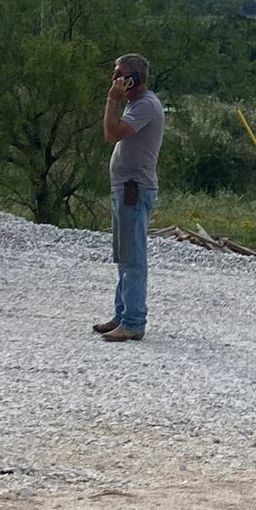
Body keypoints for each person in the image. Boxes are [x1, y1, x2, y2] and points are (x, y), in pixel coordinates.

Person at [94, 52, 164, 343]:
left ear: (133, 78)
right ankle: (122, 314)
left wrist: (112, 99)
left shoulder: (144, 106)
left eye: (119, 74)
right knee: (123, 255)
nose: (115, 79)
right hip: (125, 187)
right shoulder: (137, 104)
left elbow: (111, 134)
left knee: (133, 257)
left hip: (135, 189)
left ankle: (134, 321)